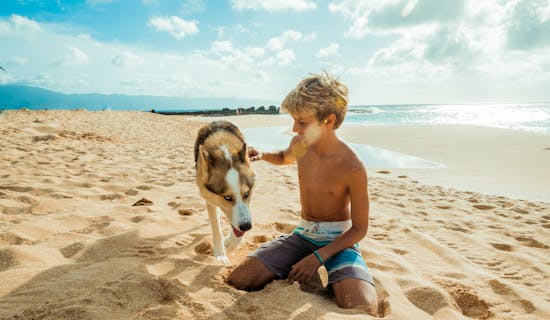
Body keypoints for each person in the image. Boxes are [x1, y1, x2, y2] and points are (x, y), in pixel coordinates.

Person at [227, 72, 378, 316]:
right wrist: (263, 154)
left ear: (328, 120)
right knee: (241, 279)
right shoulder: (301, 144)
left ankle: (339, 272)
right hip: (303, 234)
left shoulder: (352, 166)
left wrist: (318, 257)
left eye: (302, 122)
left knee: (363, 306)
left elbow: (359, 229)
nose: (294, 128)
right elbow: (285, 157)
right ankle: (294, 262)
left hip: (338, 241)